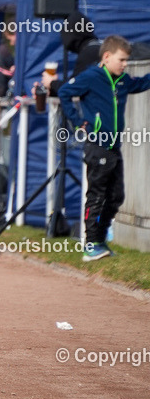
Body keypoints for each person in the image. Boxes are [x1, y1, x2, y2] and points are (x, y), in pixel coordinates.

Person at [58, 36, 150, 261]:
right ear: (107, 57)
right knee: (97, 195)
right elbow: (64, 93)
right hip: (97, 146)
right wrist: (78, 122)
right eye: (122, 59)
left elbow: (139, 84)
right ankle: (90, 244)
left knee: (117, 196)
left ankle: (100, 240)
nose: (125, 64)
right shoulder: (91, 77)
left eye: (127, 60)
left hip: (114, 147)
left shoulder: (122, 80)